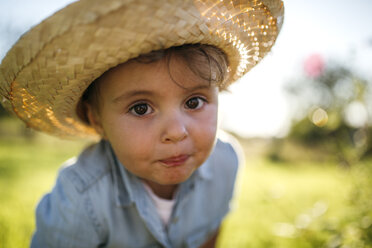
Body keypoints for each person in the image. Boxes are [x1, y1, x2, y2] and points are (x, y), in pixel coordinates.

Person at [0, 0, 284, 247]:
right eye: (140, 108)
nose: (175, 132)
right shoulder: (80, 195)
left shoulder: (226, 161)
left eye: (194, 102)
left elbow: (209, 232)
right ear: (96, 119)